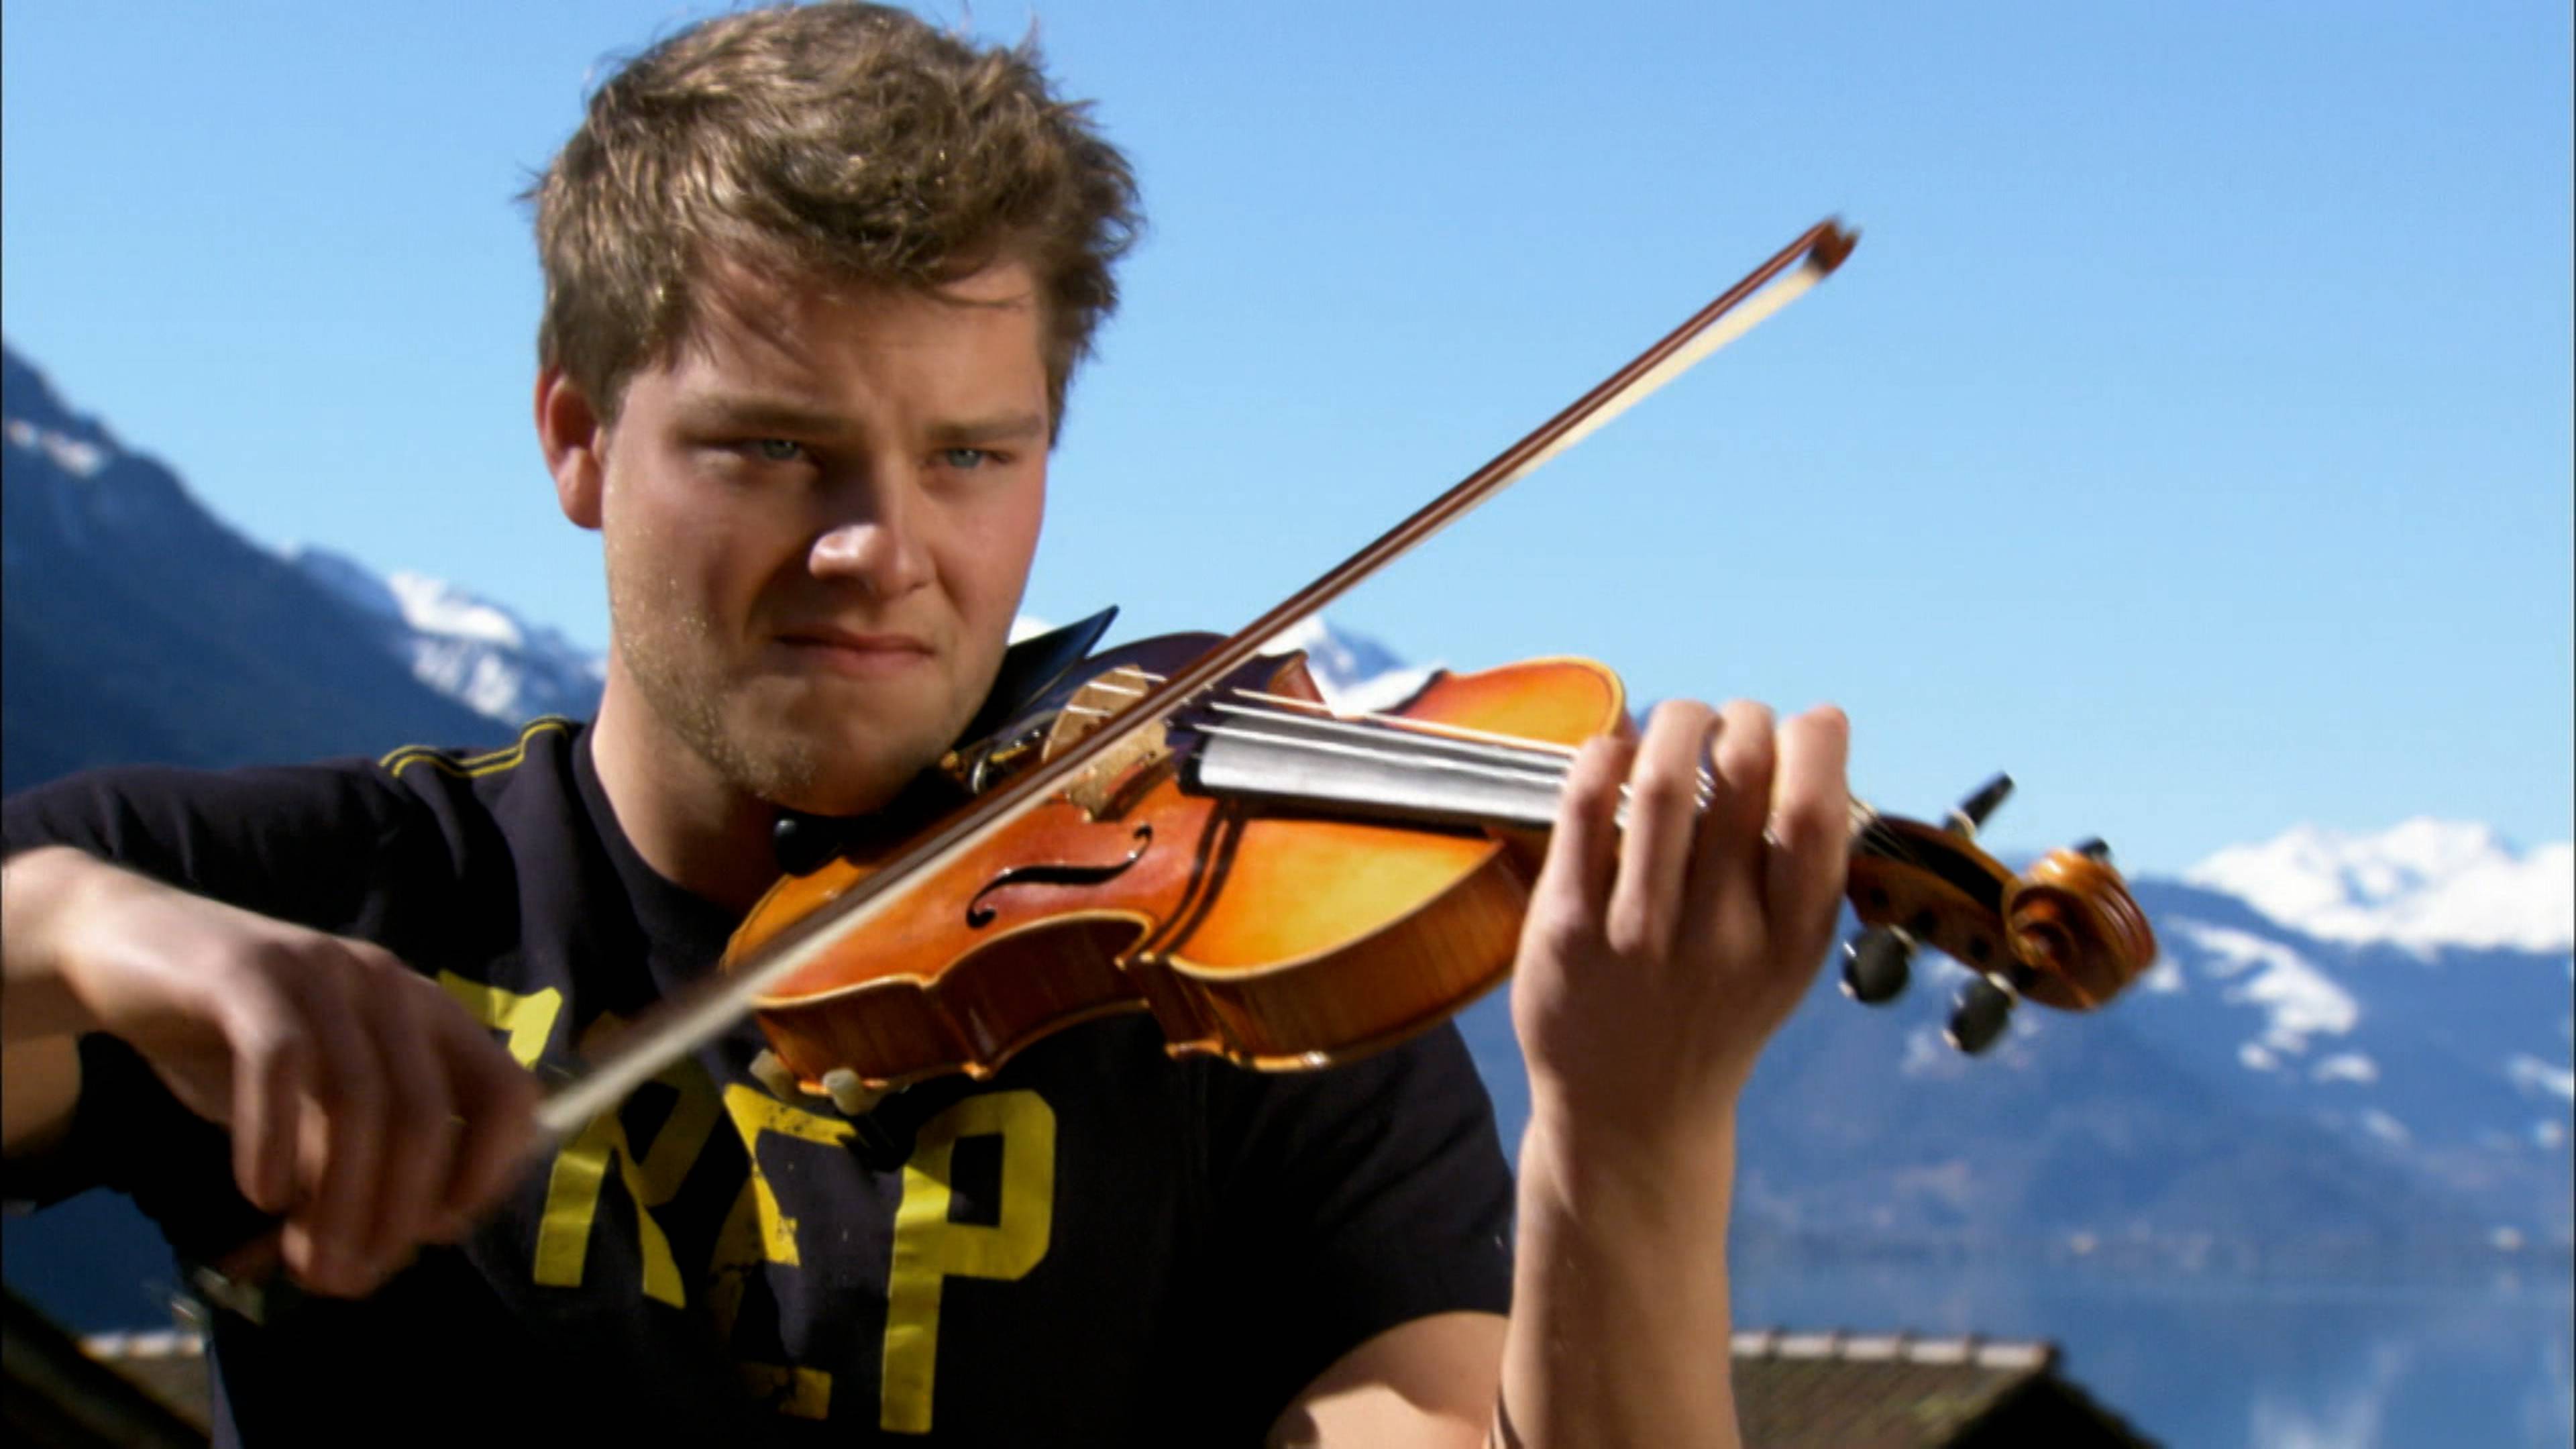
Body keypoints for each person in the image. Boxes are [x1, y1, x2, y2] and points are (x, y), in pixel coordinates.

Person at [0, 5, 1849, 1444]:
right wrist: (85, 932)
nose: (882, 551)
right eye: (772, 448)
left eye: (973, 454)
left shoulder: (1240, 1002)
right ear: (576, 435)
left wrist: (1636, 1141)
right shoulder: (324, 896)